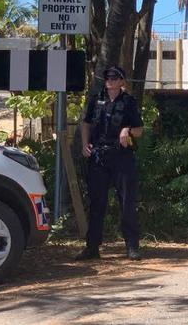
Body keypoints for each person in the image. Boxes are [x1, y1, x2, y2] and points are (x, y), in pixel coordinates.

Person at [75, 66, 144, 261]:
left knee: (126, 203)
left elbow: (139, 130)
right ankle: (92, 248)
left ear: (122, 81)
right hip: (98, 156)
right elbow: (86, 123)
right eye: (107, 77)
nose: (110, 80)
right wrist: (84, 144)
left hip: (121, 157)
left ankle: (132, 247)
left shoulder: (129, 102)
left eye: (114, 78)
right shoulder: (96, 100)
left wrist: (127, 130)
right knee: (96, 203)